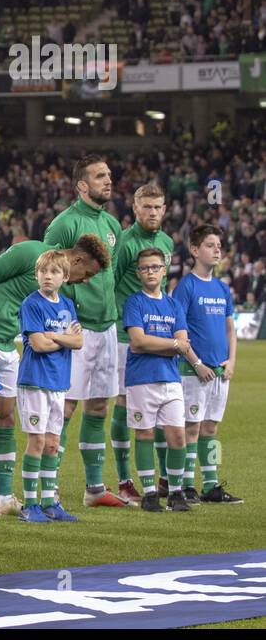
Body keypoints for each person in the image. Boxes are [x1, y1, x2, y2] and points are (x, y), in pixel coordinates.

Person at [0, 235, 109, 516]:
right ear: (75, 262)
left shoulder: (64, 297)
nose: (85, 280)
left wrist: (57, 338)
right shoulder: (30, 252)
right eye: (87, 273)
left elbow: (76, 339)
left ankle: (3, 497)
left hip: (6, 344)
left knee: (5, 417)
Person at [43, 154, 128, 508]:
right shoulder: (64, 225)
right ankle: (49, 487)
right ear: (82, 185)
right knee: (65, 408)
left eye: (108, 174)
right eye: (99, 176)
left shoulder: (112, 224)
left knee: (97, 407)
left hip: (107, 327)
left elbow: (114, 274)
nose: (108, 180)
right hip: (75, 328)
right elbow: (47, 273)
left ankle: (94, 489)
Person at [110, 184, 174, 504]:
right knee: (124, 404)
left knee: (163, 405)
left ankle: (164, 478)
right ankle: (124, 480)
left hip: (160, 336)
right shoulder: (124, 242)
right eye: (147, 207)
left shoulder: (166, 242)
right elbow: (111, 282)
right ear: (135, 208)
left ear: (165, 209)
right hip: (126, 337)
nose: (152, 212)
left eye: (157, 207)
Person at [123, 248, 200, 513]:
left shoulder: (174, 305)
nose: (150, 272)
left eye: (155, 267)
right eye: (145, 268)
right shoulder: (134, 302)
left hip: (170, 379)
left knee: (177, 436)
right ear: (139, 273)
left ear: (164, 270)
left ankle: (176, 491)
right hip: (141, 378)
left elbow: (184, 343)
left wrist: (159, 344)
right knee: (144, 434)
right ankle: (149, 494)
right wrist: (172, 344)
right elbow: (138, 341)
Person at [171, 225, 241, 504]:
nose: (217, 250)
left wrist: (232, 361)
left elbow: (229, 330)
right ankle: (187, 484)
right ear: (195, 250)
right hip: (193, 371)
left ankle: (210, 485)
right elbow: (179, 332)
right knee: (192, 427)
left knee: (211, 428)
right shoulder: (185, 287)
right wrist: (196, 363)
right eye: (211, 245)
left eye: (219, 246)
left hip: (220, 371)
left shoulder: (223, 288)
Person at [15, 250, 83, 524]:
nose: (47, 276)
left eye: (54, 272)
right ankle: (30, 504)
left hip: (58, 382)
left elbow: (79, 343)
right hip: (35, 381)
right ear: (36, 275)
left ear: (65, 277)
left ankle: (49, 503)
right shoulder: (31, 304)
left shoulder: (67, 304)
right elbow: (38, 345)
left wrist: (53, 335)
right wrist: (63, 337)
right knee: (37, 441)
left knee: (53, 444)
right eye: (43, 271)